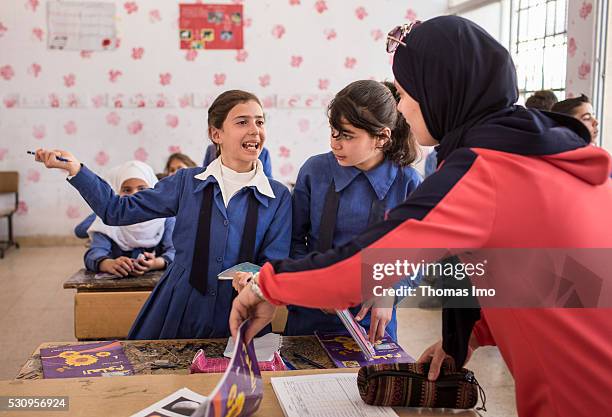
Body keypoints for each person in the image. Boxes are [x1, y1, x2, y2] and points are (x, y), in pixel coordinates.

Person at [229, 16, 612, 417]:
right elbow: (550, 281)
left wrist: (265, 288)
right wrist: (464, 337)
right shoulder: (545, 158)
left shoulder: (484, 171)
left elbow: (365, 265)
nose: (400, 107)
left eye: (404, 93)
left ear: (439, 91)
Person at [36, 89, 292, 340]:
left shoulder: (278, 197)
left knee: (236, 381)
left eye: (259, 121)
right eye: (242, 122)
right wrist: (76, 170)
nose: (254, 130)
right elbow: (117, 211)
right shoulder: (186, 183)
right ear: (216, 134)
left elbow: (274, 262)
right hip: (179, 307)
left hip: (241, 310)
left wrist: (257, 279)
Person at [284, 80, 421, 341]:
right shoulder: (314, 171)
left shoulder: (408, 183)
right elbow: (293, 240)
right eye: (333, 132)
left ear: (381, 137)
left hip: (372, 323)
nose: (336, 143)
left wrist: (390, 289)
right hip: (310, 313)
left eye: (347, 136)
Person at [84, 161, 175, 276]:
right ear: (117, 191)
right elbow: (94, 254)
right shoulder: (106, 221)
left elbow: (175, 251)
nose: (134, 195)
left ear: (153, 189)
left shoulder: (165, 218)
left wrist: (156, 263)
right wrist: (108, 264)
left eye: (142, 189)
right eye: (127, 190)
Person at [75, 153, 197, 238]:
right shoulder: (161, 188)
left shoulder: (197, 190)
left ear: (191, 167)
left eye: (180, 169)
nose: (175, 173)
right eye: (171, 169)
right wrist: (99, 228)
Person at [203, 143, 272, 177]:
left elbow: (268, 180)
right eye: (242, 123)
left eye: (259, 123)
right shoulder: (211, 149)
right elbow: (205, 173)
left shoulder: (264, 153)